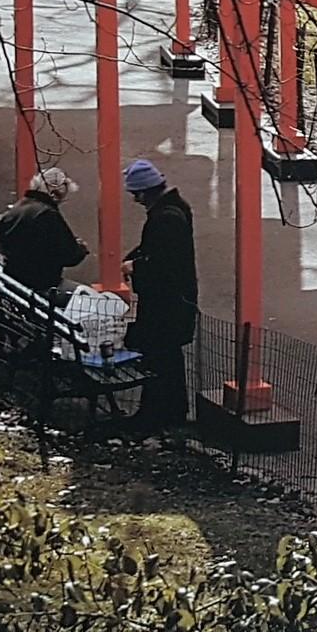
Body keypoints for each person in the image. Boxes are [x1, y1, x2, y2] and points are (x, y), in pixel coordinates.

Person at [120, 158, 198, 433]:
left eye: (135, 194)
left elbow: (160, 263)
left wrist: (134, 266)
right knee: (169, 358)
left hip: (164, 304)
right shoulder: (176, 210)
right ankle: (172, 412)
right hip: (177, 302)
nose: (135, 200)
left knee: (157, 356)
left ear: (145, 192)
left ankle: (154, 413)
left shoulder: (164, 219)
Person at [0, 167, 89, 299]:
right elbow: (69, 255)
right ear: (55, 194)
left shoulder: (18, 208)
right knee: (86, 299)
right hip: (40, 282)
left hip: (13, 276)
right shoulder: (48, 215)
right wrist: (81, 248)